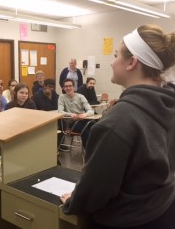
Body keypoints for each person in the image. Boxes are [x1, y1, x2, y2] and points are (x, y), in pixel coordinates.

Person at [60, 24, 175, 229]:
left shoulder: (117, 123)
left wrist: (72, 201)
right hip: (162, 211)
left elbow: (94, 193)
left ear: (132, 62)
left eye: (116, 55)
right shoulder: (168, 106)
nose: (112, 63)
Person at [58, 78, 94, 151]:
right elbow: (60, 111)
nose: (68, 88)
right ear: (64, 88)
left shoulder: (81, 96)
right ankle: (89, 153)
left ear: (74, 87)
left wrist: (85, 115)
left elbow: (91, 110)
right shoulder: (62, 97)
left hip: (83, 119)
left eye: (70, 86)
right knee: (86, 130)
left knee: (95, 127)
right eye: (66, 86)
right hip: (72, 123)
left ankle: (94, 151)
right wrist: (70, 114)